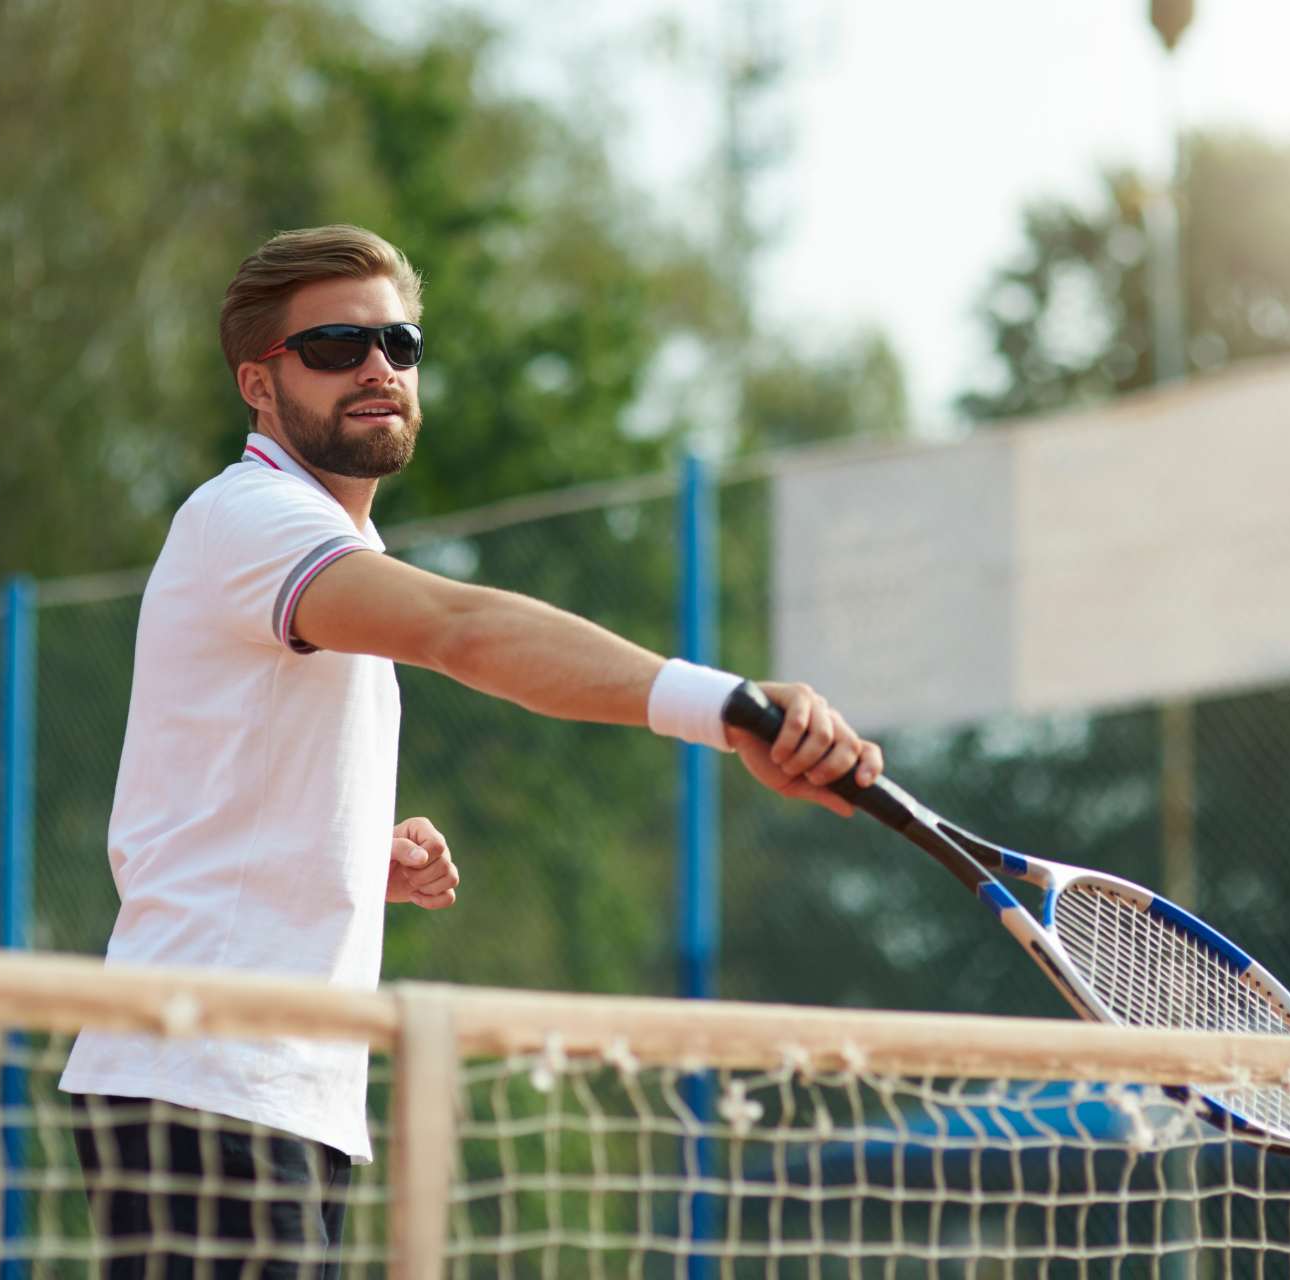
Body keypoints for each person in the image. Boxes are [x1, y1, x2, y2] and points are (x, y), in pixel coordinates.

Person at [56, 224, 882, 1276]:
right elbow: (467, 632)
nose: (377, 366)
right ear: (258, 385)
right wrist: (731, 709)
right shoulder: (249, 516)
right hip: (207, 1070)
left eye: (399, 344)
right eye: (336, 345)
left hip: (273, 1086)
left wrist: (352, 850)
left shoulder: (325, 546)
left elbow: (218, 795)